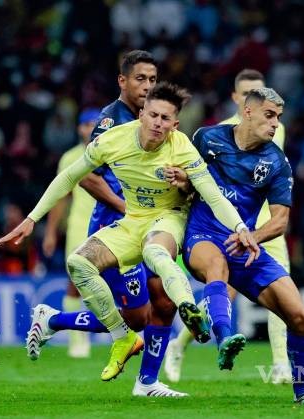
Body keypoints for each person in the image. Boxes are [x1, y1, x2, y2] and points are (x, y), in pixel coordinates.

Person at [0, 82, 259, 387]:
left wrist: (241, 228)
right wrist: (32, 219)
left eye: (165, 119)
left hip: (169, 218)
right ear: (142, 114)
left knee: (155, 252)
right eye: (153, 115)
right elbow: (69, 177)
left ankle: (188, 307)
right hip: (132, 220)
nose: (158, 123)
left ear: (175, 125)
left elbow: (213, 195)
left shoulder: (182, 147)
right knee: (78, 264)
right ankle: (122, 337)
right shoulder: (113, 139)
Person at [29, 51, 190, 397]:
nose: (147, 86)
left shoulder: (154, 118)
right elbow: (87, 177)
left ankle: (147, 382)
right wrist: (126, 208)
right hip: (117, 229)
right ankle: (53, 319)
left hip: (152, 227)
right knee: (137, 318)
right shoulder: (110, 121)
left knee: (164, 302)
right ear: (123, 81)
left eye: (152, 79)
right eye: (140, 79)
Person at [172, 88, 304, 405]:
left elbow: (280, 220)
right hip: (203, 235)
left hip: (245, 246)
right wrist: (183, 182)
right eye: (269, 115)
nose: (275, 124)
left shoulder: (276, 162)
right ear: (248, 111)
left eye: (278, 117)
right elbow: (186, 181)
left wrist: (254, 236)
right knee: (217, 266)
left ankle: (303, 393)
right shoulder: (207, 138)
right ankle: (224, 338)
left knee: (299, 316)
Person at [164, 69, 291, 385]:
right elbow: (196, 182)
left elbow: (275, 175)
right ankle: (180, 344)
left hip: (265, 225)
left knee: (282, 291)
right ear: (238, 99)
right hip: (224, 229)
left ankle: (281, 365)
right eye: (247, 92)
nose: (272, 119)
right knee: (225, 292)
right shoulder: (215, 135)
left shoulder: (276, 129)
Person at [41, 108, 100, 358]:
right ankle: (78, 342)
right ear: (79, 128)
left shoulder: (114, 152)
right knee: (76, 283)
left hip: (110, 225)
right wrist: (50, 232)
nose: (90, 129)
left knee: (119, 281)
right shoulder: (70, 157)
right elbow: (61, 197)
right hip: (78, 225)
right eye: (86, 124)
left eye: (94, 124)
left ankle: (124, 335)